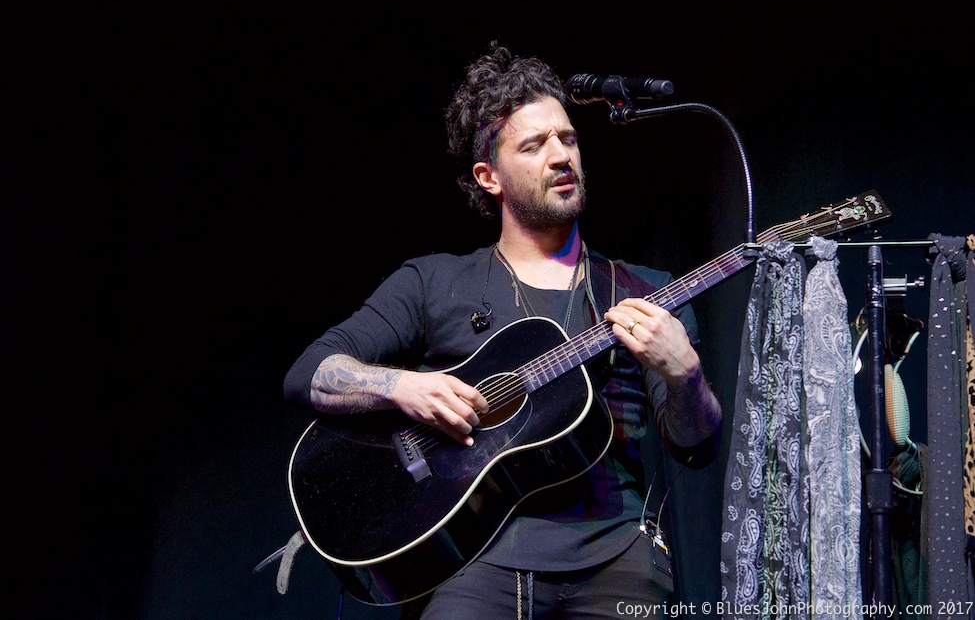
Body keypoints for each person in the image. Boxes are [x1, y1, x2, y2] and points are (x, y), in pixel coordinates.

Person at [283, 42, 722, 619]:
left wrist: (686, 375)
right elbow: (309, 373)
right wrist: (403, 388)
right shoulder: (433, 281)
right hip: (470, 562)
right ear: (489, 176)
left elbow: (696, 447)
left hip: (618, 558)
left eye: (567, 139)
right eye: (534, 145)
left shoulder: (643, 290)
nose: (561, 156)